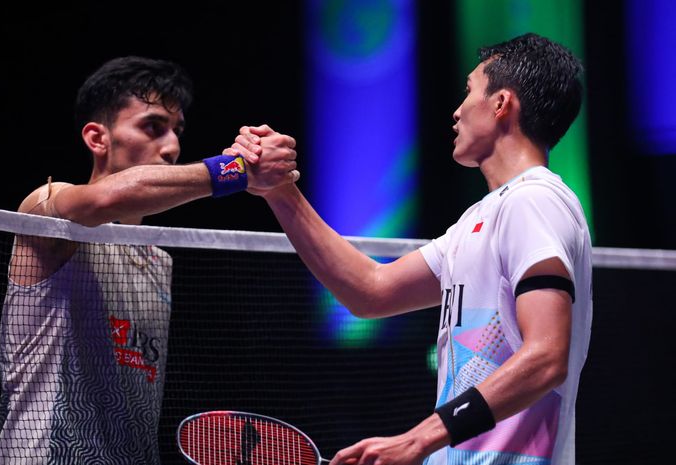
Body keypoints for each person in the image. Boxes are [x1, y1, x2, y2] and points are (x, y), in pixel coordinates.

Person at [230, 33, 592, 465]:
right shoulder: (477, 221)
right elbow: (370, 290)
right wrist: (280, 193)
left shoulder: (534, 200)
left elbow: (547, 357)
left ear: (501, 104)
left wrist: (418, 439)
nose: (457, 111)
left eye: (470, 90)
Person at [0, 56, 299, 464]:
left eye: (177, 131)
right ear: (97, 138)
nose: (172, 147)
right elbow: (104, 198)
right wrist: (236, 169)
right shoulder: (47, 210)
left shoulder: (160, 262)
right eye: (153, 127)